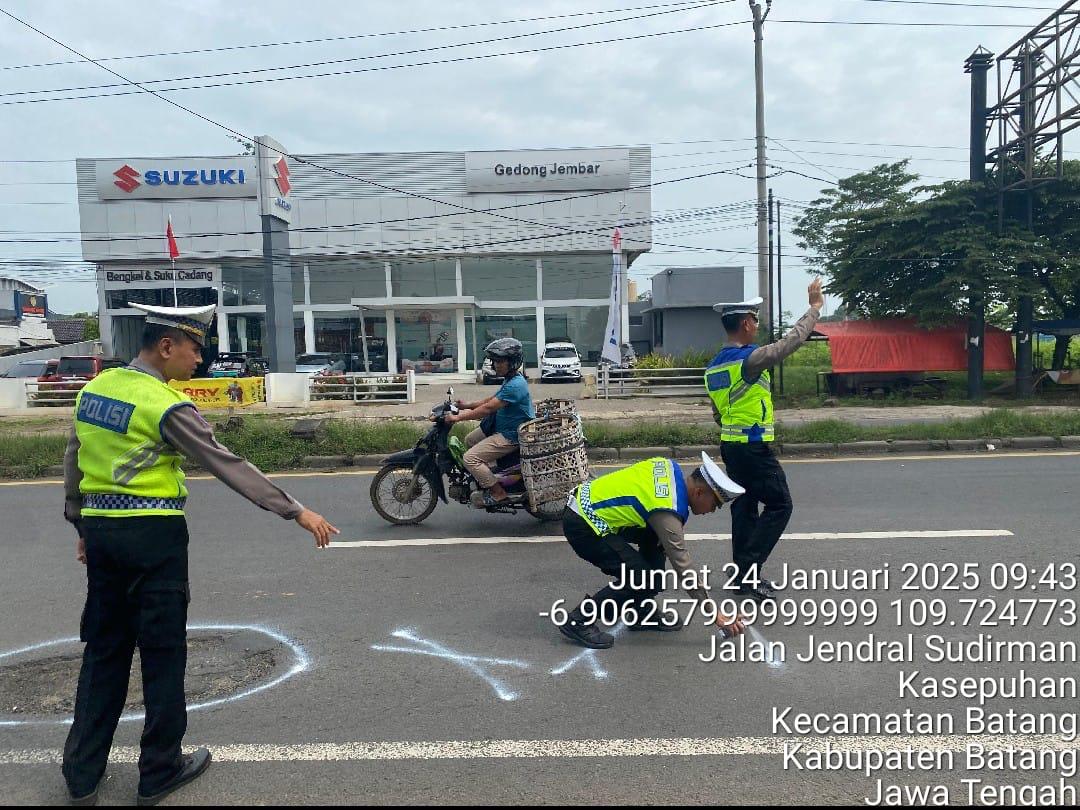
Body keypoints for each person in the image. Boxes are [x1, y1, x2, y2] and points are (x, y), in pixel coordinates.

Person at [61, 303, 339, 807]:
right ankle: (159, 770)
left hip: (102, 533)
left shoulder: (93, 390)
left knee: (103, 653)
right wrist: (295, 511)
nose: (200, 360)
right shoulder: (164, 405)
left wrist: (82, 522)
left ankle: (81, 776)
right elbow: (225, 463)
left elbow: (75, 457)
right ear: (166, 347)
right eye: (194, 349)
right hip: (153, 537)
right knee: (163, 654)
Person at [706, 278, 825, 602]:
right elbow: (790, 342)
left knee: (745, 508)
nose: (758, 325)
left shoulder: (714, 366)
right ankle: (746, 571)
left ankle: (745, 578)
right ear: (745, 323)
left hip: (731, 446)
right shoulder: (750, 359)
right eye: (755, 320)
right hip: (752, 447)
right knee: (780, 504)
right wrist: (814, 308)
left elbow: (718, 412)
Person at [557, 453, 748, 649]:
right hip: (583, 525)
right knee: (640, 577)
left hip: (590, 508)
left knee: (655, 550)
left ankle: (641, 612)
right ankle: (578, 620)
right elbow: (683, 566)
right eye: (715, 505)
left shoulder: (668, 467)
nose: (712, 511)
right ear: (699, 493)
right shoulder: (667, 510)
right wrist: (714, 613)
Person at [446, 338, 534, 508]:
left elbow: (488, 409)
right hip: (502, 428)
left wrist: (457, 417)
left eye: (500, 361)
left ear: (513, 362)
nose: (495, 365)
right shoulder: (511, 379)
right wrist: (466, 405)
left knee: (470, 458)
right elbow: (491, 400)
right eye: (494, 361)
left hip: (511, 435)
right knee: (470, 440)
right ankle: (491, 475)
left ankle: (498, 493)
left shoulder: (516, 385)